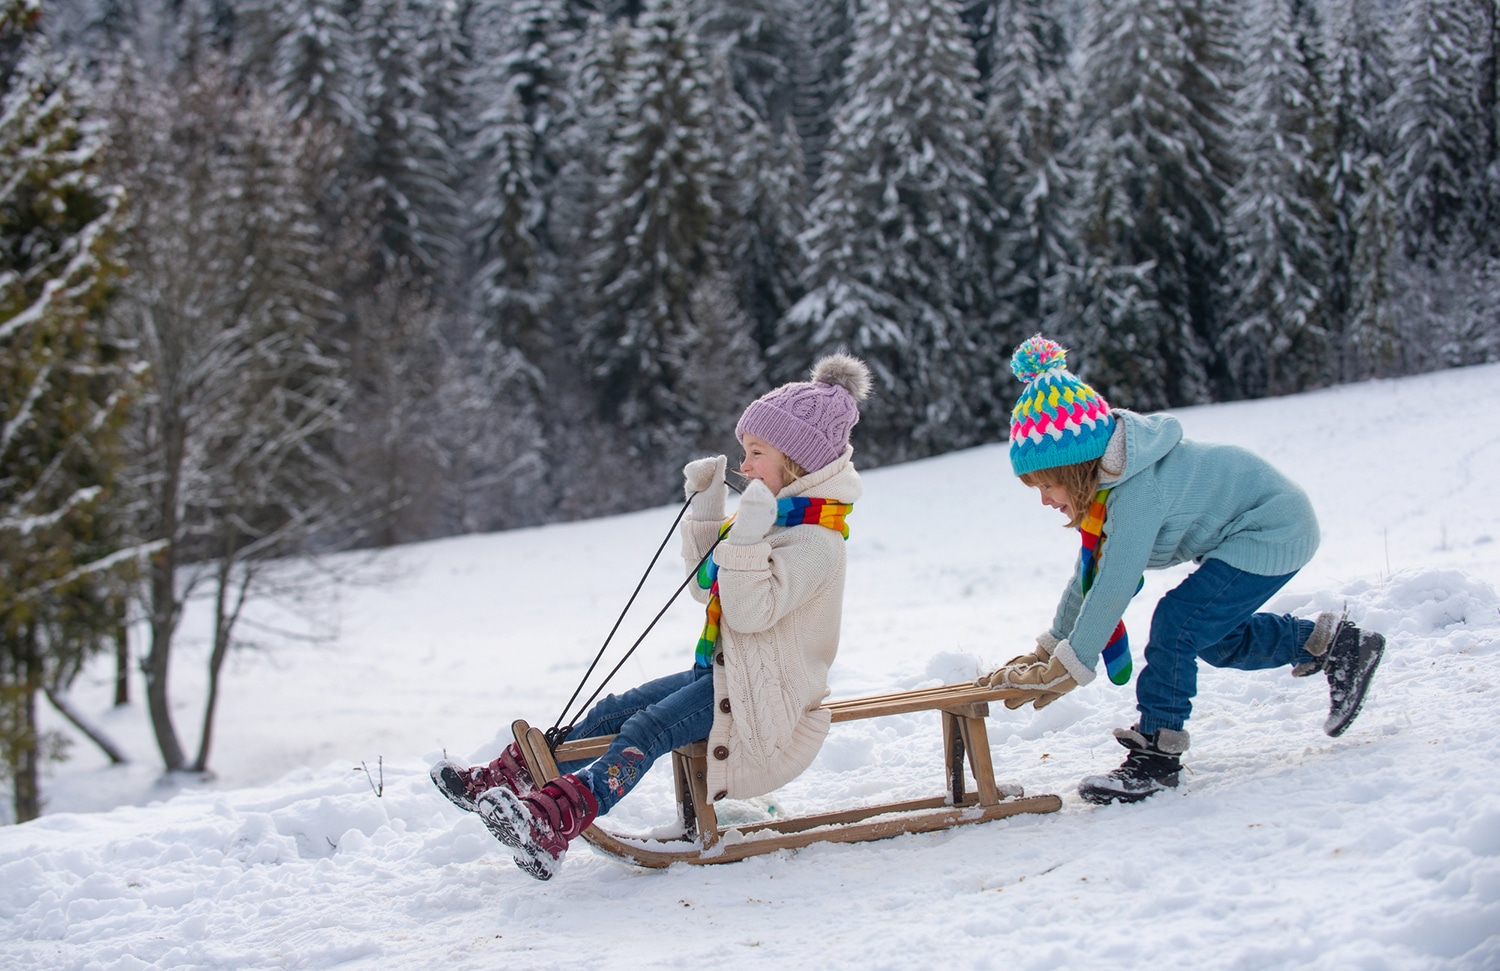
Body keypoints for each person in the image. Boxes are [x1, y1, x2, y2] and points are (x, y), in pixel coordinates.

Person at [431, 354, 872, 878]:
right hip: (726, 676)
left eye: (756, 453)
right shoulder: (777, 519)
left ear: (797, 464)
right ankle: (506, 781)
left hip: (767, 698)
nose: (744, 466)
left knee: (648, 727)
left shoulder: (816, 541)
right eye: (743, 453)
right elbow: (706, 584)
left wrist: (748, 536)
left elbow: (750, 613)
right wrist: (707, 508)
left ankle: (557, 820)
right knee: (611, 711)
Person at [978, 335, 1385, 805]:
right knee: (1214, 637)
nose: (1046, 500)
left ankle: (1157, 755)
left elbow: (1114, 586)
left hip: (1273, 526)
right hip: (1251, 531)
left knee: (1177, 622)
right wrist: (1048, 648)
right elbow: (1087, 578)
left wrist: (1070, 667)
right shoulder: (1110, 487)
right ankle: (1335, 645)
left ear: (1075, 469)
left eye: (1047, 485)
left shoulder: (1135, 493)